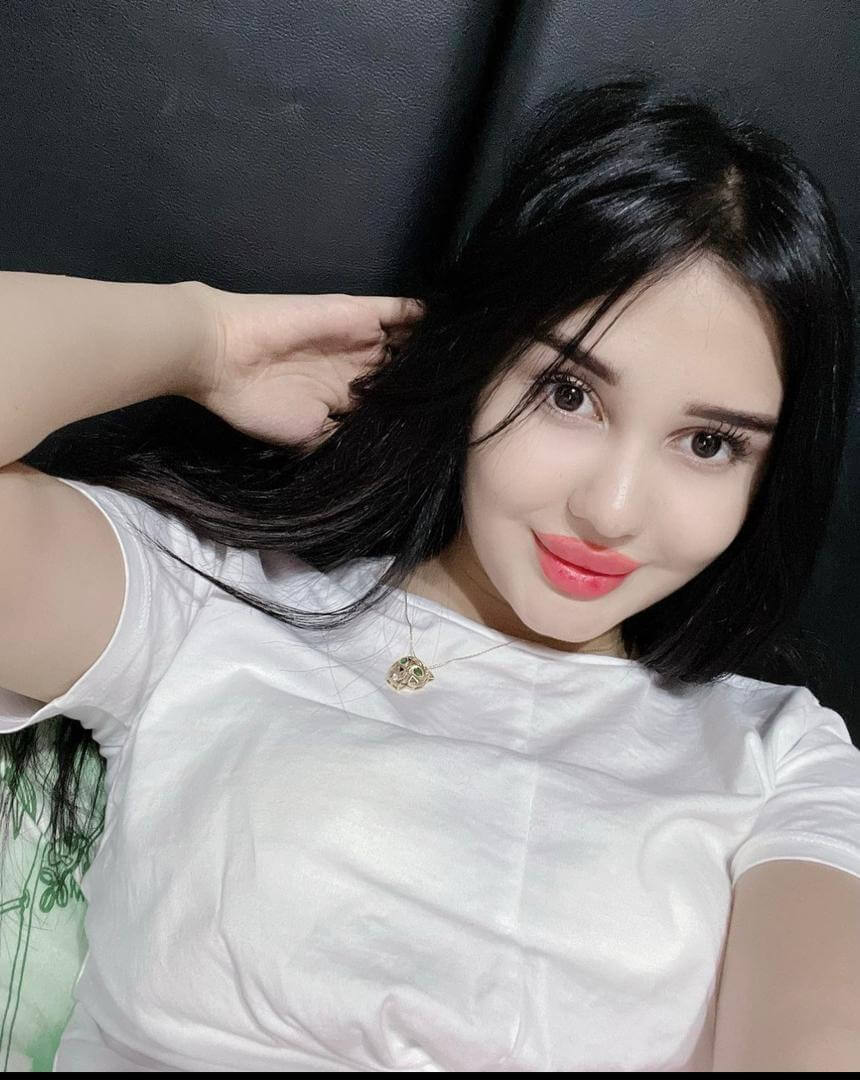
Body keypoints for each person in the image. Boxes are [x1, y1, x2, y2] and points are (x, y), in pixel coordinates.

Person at [0, 77, 858, 1071]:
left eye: (708, 443)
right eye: (567, 392)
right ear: (478, 362)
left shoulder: (781, 759)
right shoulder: (202, 603)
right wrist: (206, 342)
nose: (612, 509)